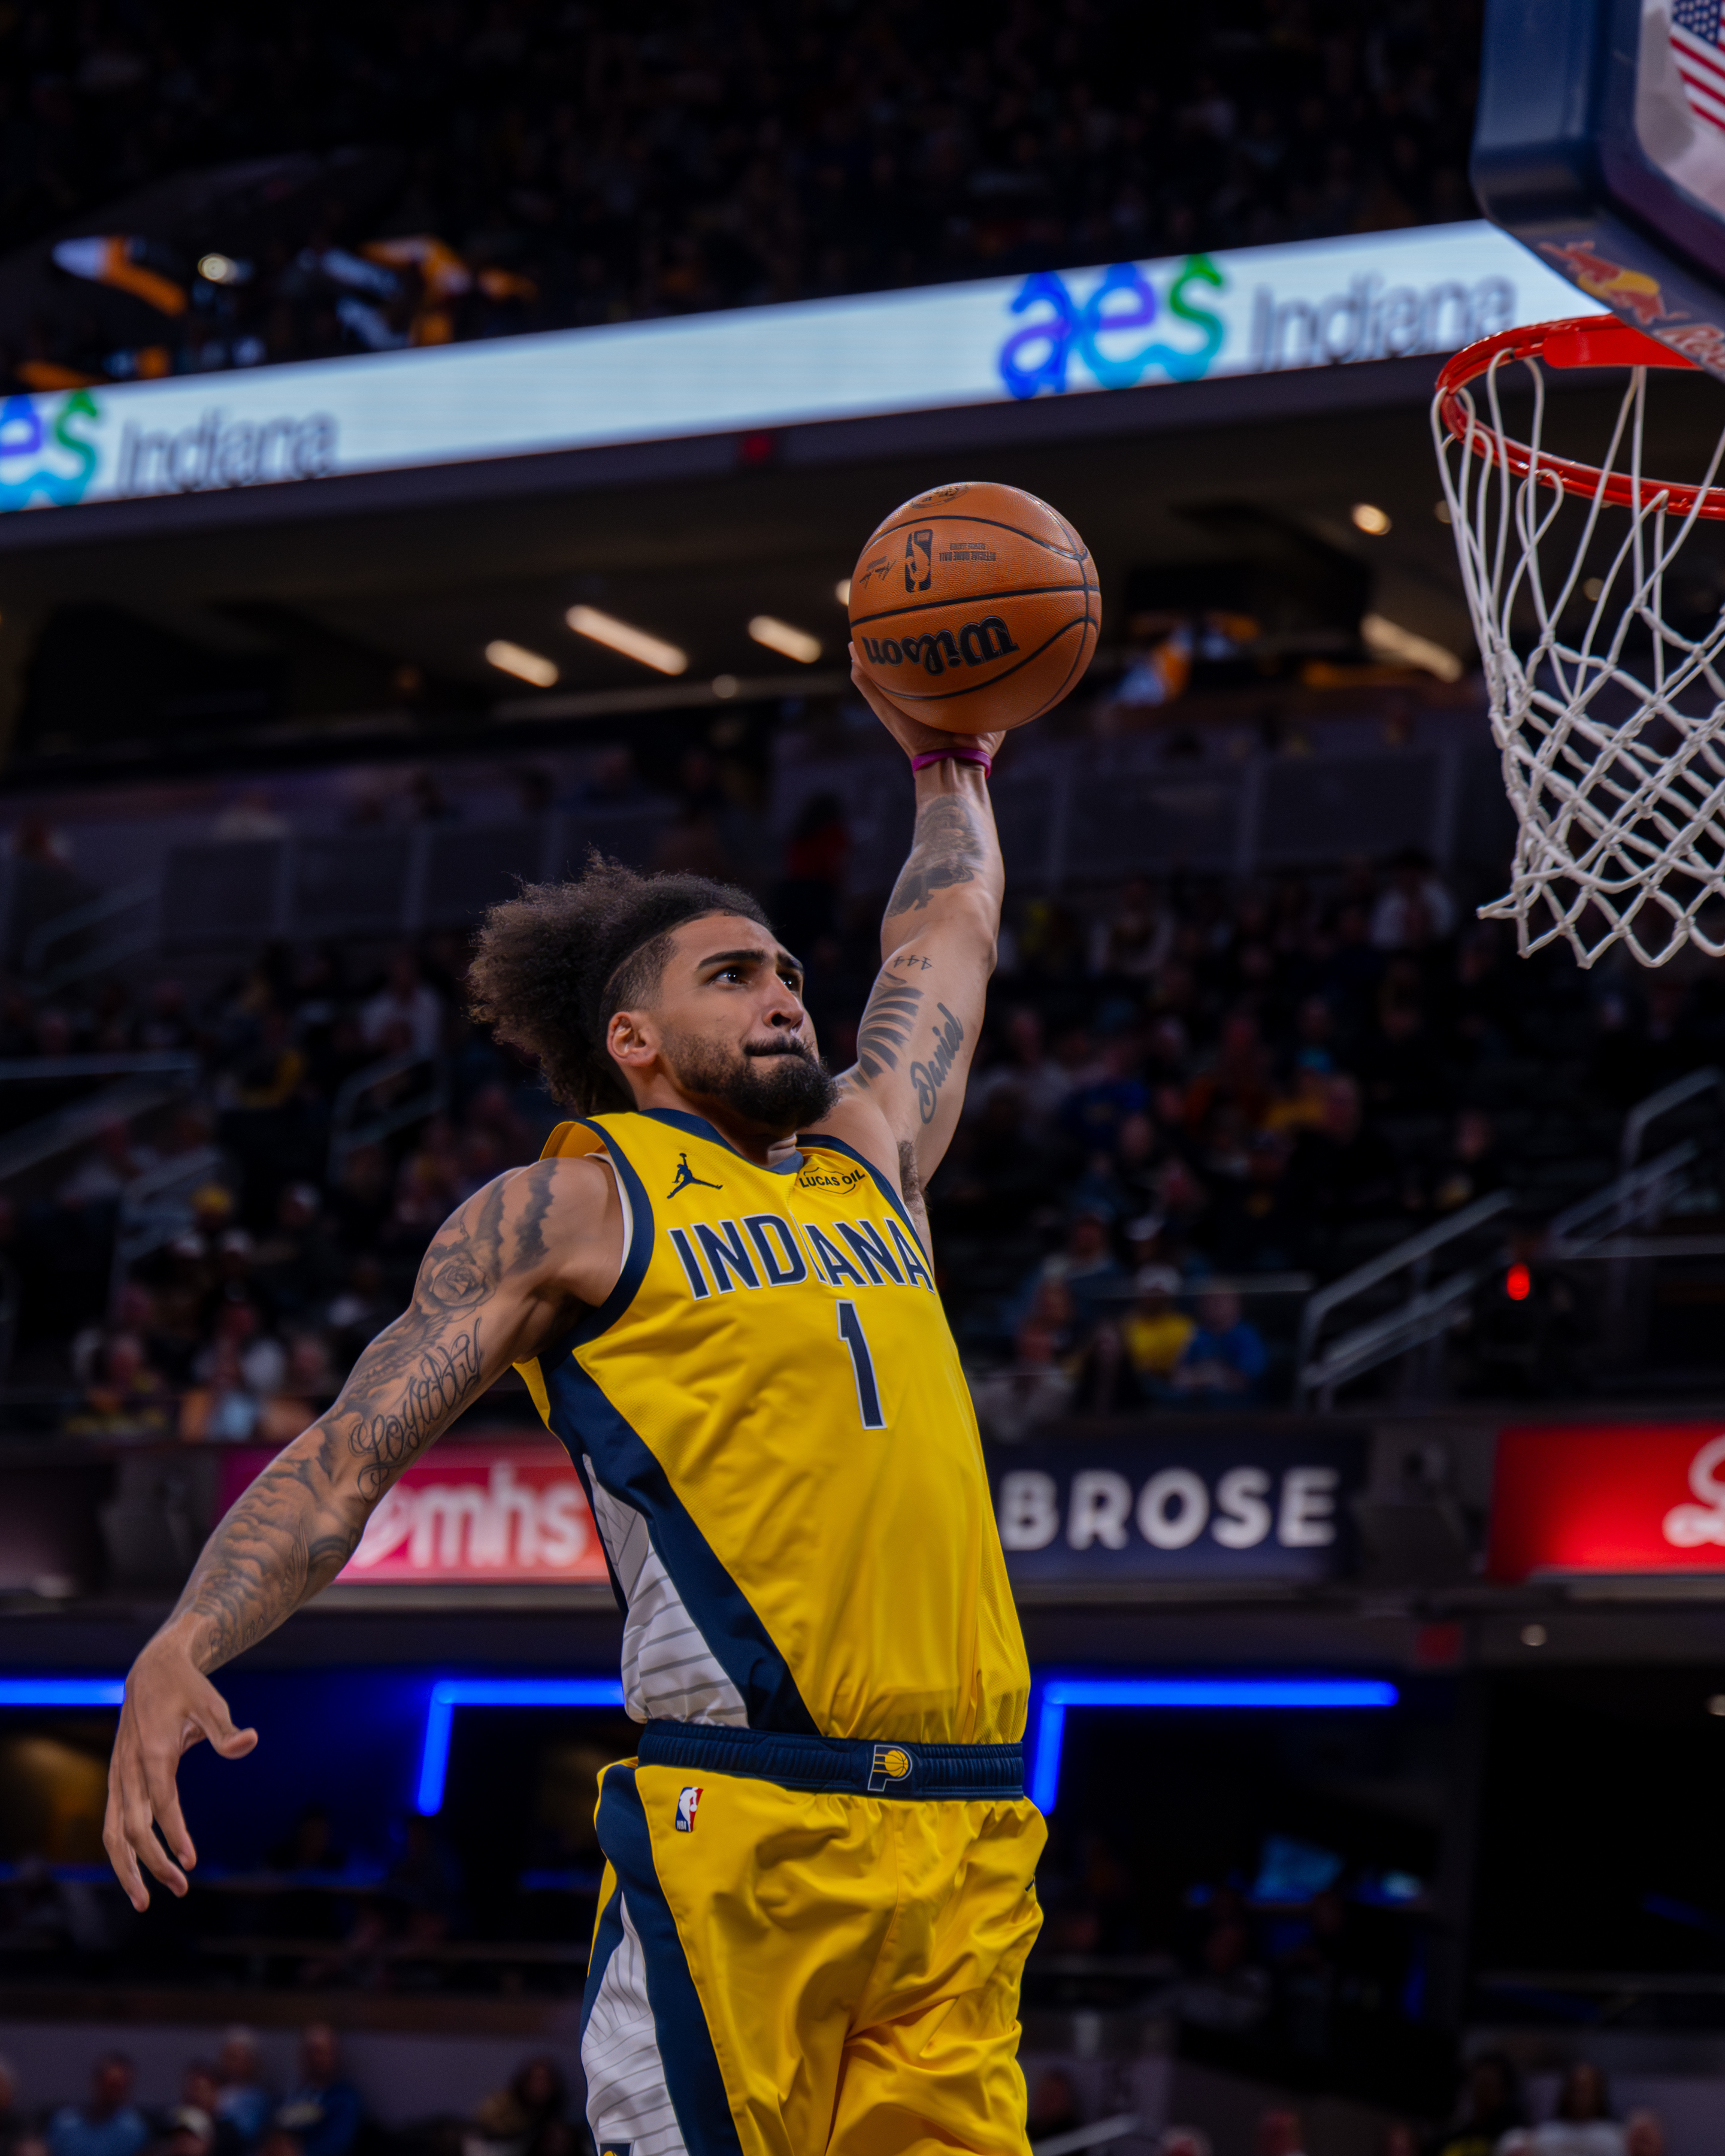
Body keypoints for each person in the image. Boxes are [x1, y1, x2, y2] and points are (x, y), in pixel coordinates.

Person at [104, 668, 1044, 2153]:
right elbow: (348, 1457)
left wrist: (950, 760)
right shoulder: (571, 1206)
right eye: (732, 974)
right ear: (635, 1042)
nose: (785, 988)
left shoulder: (873, 1157)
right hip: (746, 1828)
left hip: (970, 1842)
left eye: (788, 966)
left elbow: (945, 930)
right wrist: (183, 1639)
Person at [273, 2028, 361, 2156]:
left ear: (335, 2056)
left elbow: (335, 2146)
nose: (316, 2058)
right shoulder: (291, 2095)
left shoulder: (345, 2099)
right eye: (310, 2052)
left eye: (322, 2052)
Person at [48, 2057, 149, 2156]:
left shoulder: (134, 2130)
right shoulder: (64, 2123)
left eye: (122, 2087)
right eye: (112, 2086)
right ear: (96, 2083)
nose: (115, 2093)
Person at [214, 2032, 272, 2153]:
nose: (234, 2064)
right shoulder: (214, 2091)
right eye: (230, 2056)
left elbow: (246, 2133)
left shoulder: (259, 2100)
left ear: (252, 2061)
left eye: (240, 2058)